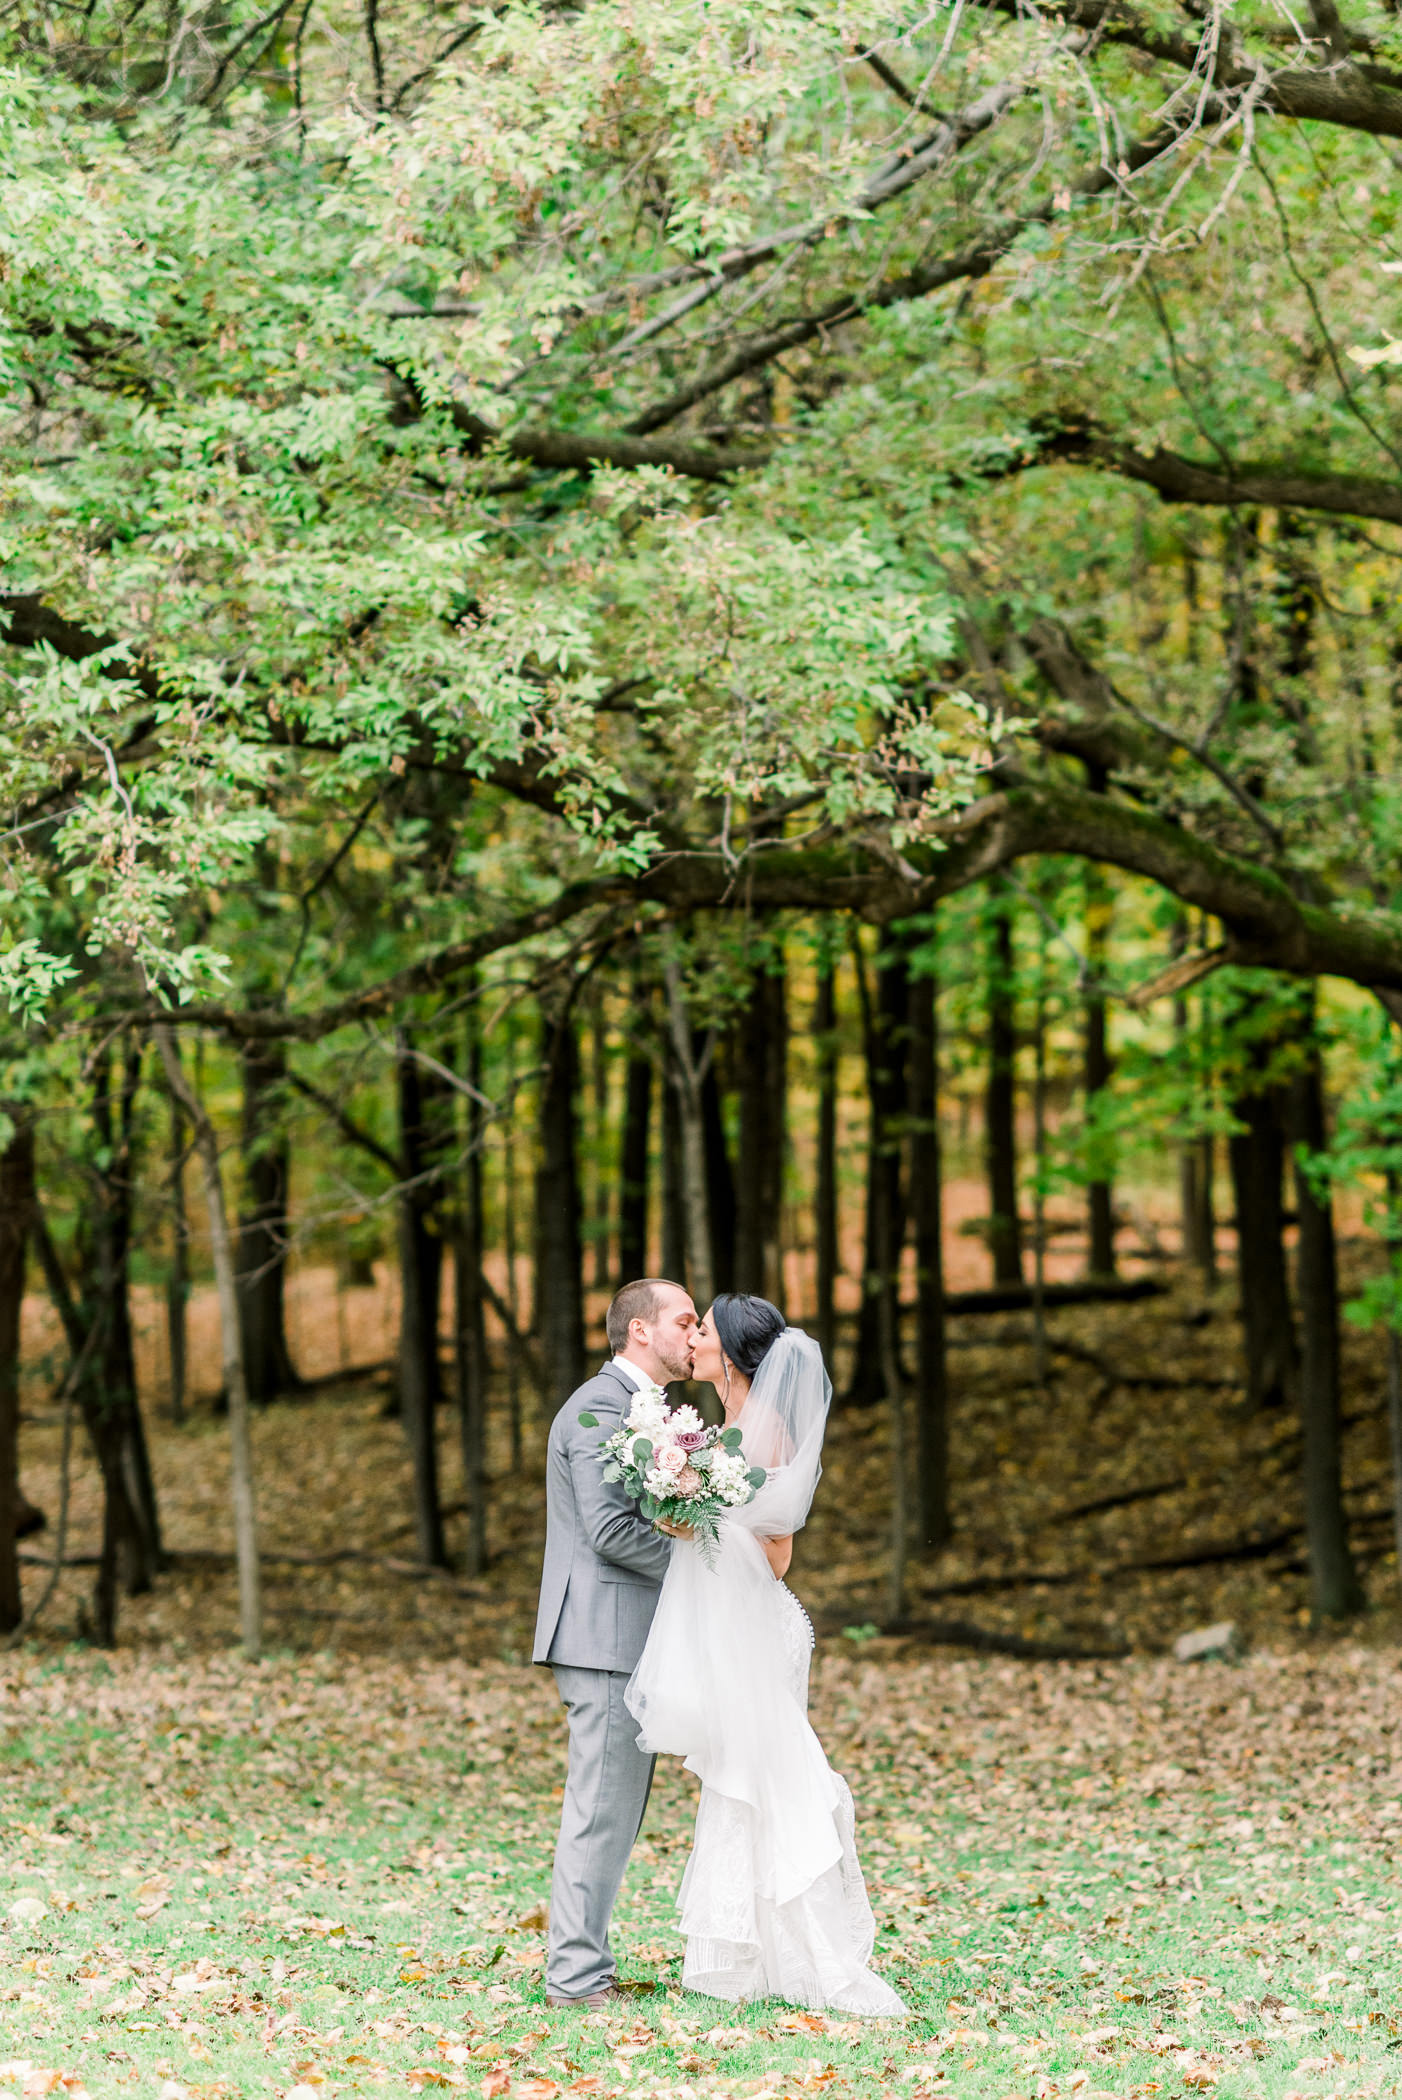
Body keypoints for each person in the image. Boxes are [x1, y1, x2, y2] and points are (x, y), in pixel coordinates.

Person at [626, 1292, 906, 2016]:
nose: (695, 1343)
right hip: (735, 1625)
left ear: (736, 1354)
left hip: (762, 1623)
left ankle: (824, 1963)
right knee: (742, 1778)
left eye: (706, 1332)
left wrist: (698, 1520)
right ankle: (753, 1961)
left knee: (775, 1781)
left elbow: (776, 1555)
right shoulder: (725, 1429)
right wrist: (689, 1508)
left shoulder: (766, 1431)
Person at [533, 1276, 698, 2009]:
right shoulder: (600, 1407)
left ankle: (585, 1966)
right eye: (684, 1321)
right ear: (641, 1331)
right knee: (601, 1812)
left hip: (625, 1636)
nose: (693, 1336)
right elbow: (607, 1532)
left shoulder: (640, 1410)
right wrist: (704, 1571)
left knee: (614, 1813)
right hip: (603, 1637)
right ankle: (573, 1979)